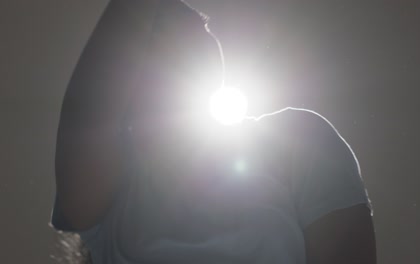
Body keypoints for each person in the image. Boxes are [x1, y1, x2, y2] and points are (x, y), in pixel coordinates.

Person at [51, 0, 377, 263]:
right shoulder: (112, 187)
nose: (186, 19)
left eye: (200, 25)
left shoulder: (297, 139)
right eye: (154, 31)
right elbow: (87, 114)